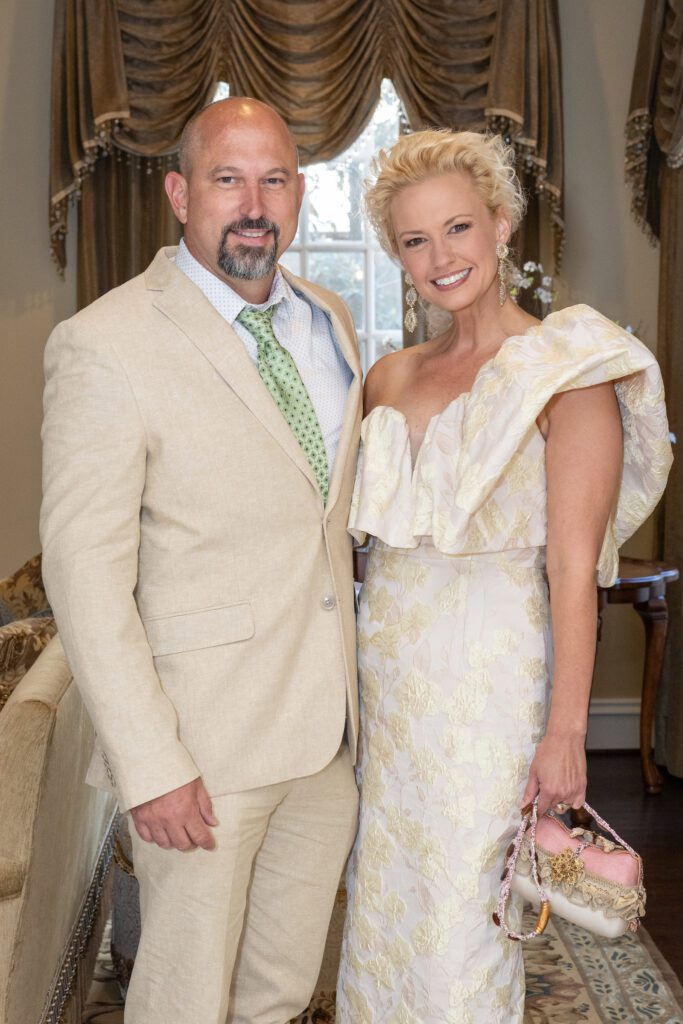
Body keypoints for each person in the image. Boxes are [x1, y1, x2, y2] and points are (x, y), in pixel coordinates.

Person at [336, 129, 672, 1022]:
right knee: (386, 907)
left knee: (463, 926)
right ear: (397, 255)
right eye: (415, 240)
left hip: (488, 688)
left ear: (501, 223)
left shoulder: (567, 372)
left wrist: (566, 731)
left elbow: (572, 568)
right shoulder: (386, 378)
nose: (440, 257)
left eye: (457, 228)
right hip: (388, 690)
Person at [40, 98, 362, 1024]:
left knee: (279, 994)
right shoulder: (104, 343)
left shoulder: (330, 318)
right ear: (180, 195)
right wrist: (150, 764)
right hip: (201, 752)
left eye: (274, 180)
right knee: (182, 1001)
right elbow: (85, 577)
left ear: (298, 194)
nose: (253, 204)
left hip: (325, 739)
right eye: (228, 179)